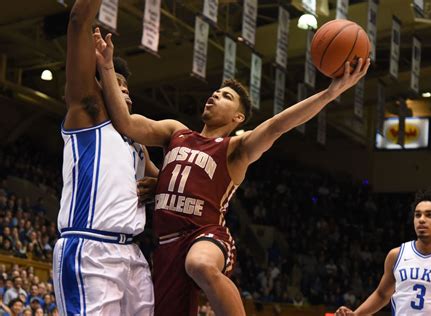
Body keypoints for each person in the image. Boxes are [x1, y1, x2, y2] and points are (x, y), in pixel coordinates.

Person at [94, 28, 369, 316]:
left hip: (206, 235)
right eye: (215, 92)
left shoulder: (235, 148)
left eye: (225, 96)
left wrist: (330, 93)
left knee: (198, 263)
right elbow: (125, 122)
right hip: (166, 246)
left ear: (238, 118)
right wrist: (106, 66)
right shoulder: (176, 132)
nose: (214, 96)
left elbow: (278, 125)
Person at [52, 0, 159, 315]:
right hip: (91, 248)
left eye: (126, 87)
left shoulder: (138, 147)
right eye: (115, 83)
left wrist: (159, 186)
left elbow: (174, 183)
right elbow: (77, 20)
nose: (124, 91)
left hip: (133, 254)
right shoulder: (87, 115)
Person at [336, 190, 431, 316]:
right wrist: (356, 314)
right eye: (417, 214)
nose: (422, 219)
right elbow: (382, 295)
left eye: (429, 215)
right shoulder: (396, 255)